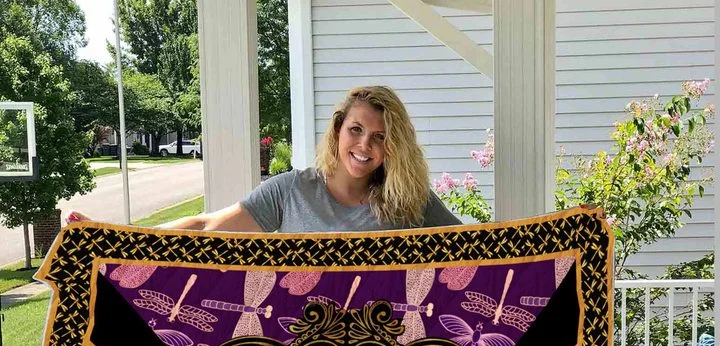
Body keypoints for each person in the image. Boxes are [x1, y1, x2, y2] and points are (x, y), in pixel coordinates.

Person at [67, 86, 460, 234]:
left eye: (379, 137)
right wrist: (114, 234)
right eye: (356, 129)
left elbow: (476, 251)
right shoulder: (291, 191)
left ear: (393, 146)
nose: (364, 144)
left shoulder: (410, 200)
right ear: (338, 130)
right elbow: (207, 226)